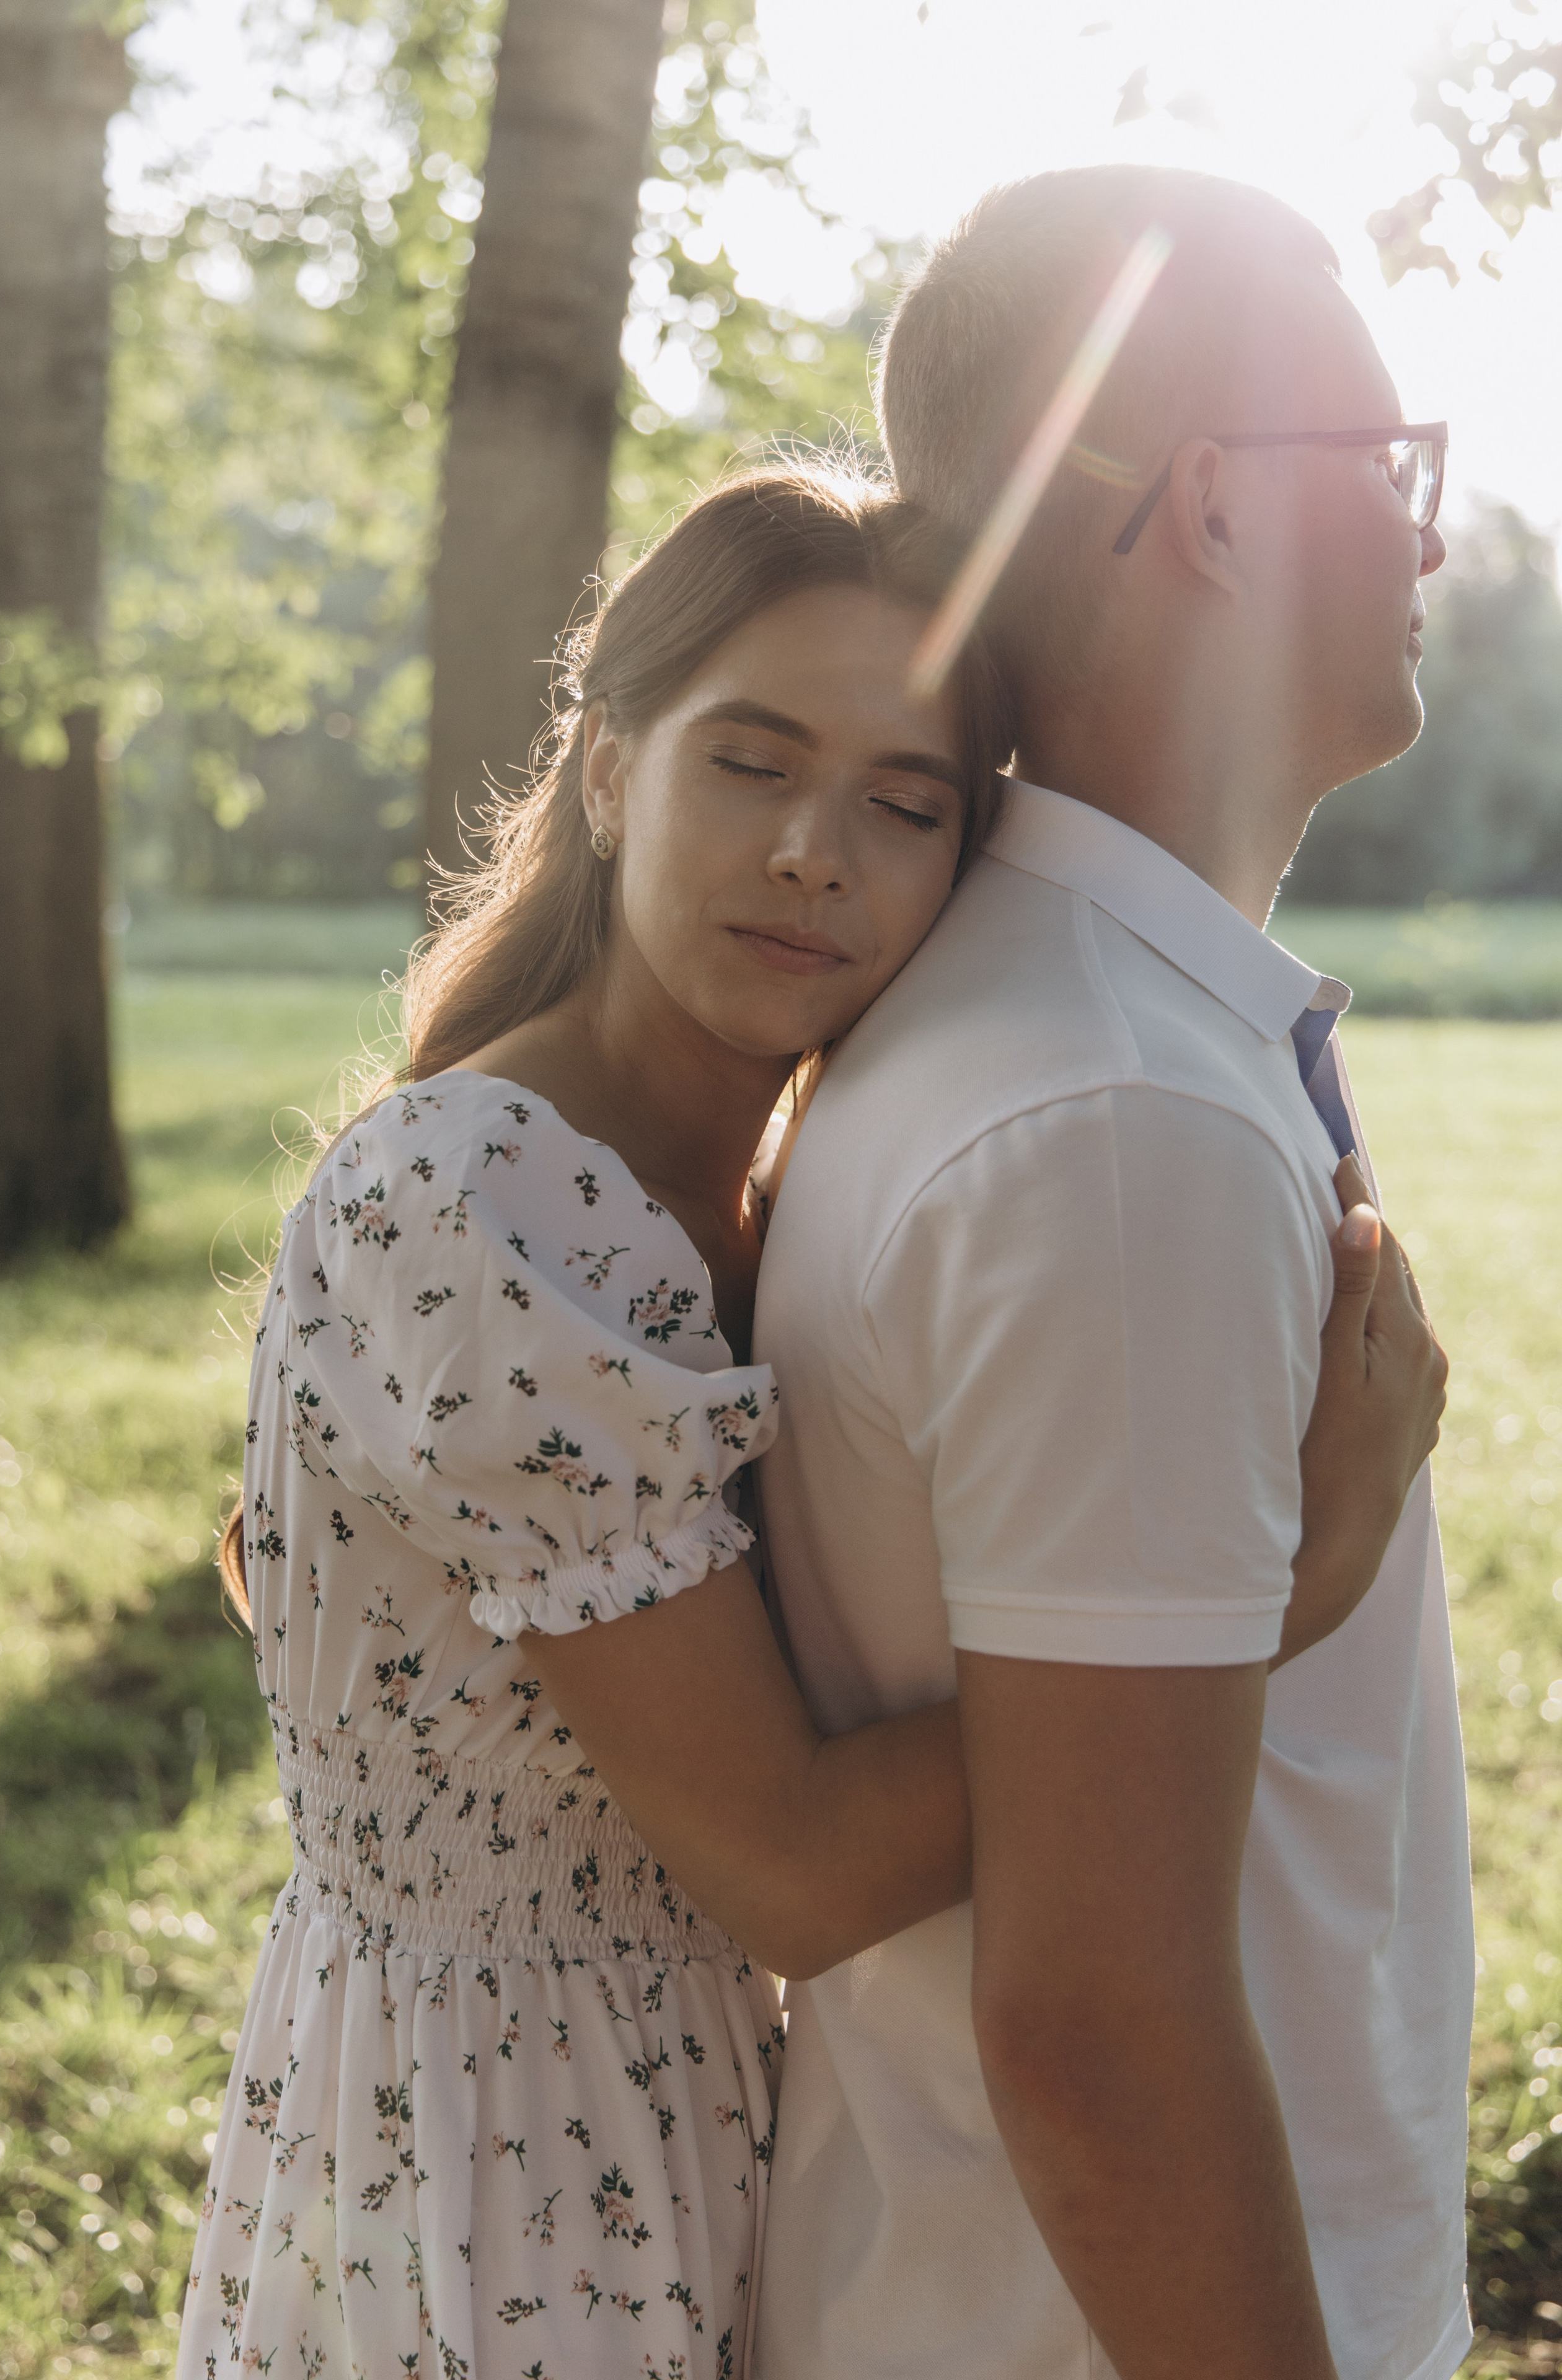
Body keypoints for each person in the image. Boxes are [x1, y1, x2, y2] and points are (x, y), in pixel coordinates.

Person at [182, 466, 1444, 2380]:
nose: (813, 854)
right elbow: (789, 1864)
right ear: (608, 768)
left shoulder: (755, 1199)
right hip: (497, 2177)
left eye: (902, 803)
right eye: (751, 766)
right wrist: (1283, 1580)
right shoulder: (482, 1200)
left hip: (688, 2132)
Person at [747, 168, 1470, 2380]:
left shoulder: (1052, 1030)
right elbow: (1097, 2036)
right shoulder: (1119, 1129)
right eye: (1396, 463)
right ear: (1224, 512)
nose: (1433, 535)